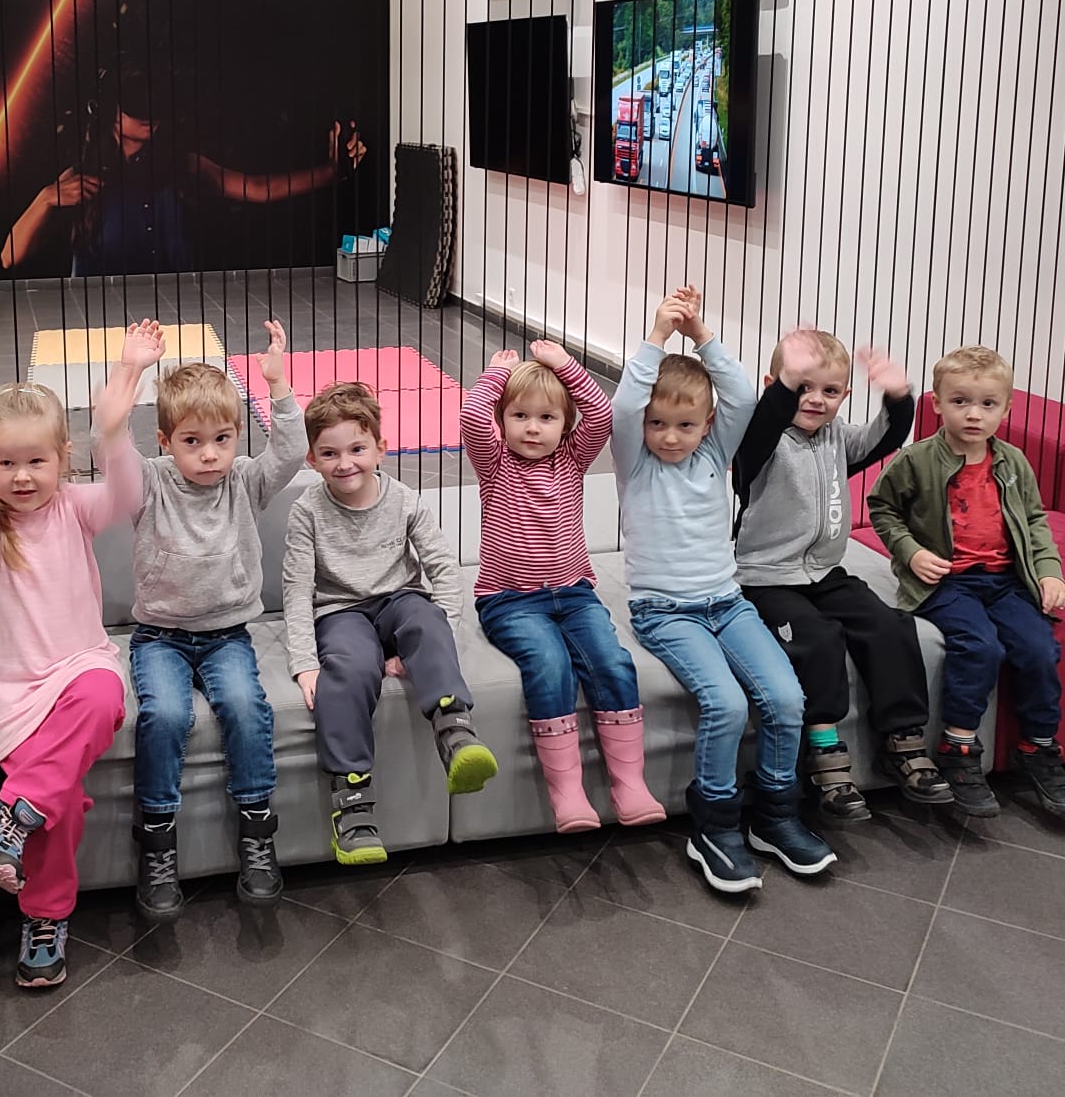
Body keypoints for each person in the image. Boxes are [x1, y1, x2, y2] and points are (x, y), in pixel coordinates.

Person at [0, 322, 159, 990]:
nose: (21, 477)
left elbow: (128, 491)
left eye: (36, 462)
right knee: (59, 807)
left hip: (80, 667)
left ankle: (10, 817)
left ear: (63, 458)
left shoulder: (76, 508)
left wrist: (115, 422)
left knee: (103, 693)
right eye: (6, 463)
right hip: (15, 696)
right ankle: (46, 917)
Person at [612, 287, 833, 894]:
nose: (670, 437)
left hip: (727, 603)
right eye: (658, 424)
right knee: (727, 704)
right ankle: (713, 828)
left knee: (786, 698)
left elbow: (740, 394)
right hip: (664, 611)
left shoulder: (716, 455)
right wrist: (659, 336)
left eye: (685, 425)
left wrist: (702, 334)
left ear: (708, 426)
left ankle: (776, 817)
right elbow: (624, 406)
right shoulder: (635, 463)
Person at [733, 329, 952, 822]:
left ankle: (903, 739)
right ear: (775, 385)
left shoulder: (837, 438)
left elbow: (884, 439)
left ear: (844, 395)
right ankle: (825, 752)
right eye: (802, 388)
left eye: (830, 391)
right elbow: (765, 423)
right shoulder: (758, 442)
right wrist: (784, 388)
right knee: (817, 637)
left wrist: (899, 398)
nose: (816, 399)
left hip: (826, 572)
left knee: (890, 625)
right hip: (767, 577)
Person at [127, 323, 304, 920]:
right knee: (164, 715)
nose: (209, 454)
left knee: (247, 709)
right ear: (164, 442)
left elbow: (290, 452)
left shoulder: (245, 479)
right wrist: (130, 372)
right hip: (160, 638)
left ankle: (257, 834)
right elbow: (108, 450)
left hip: (228, 635)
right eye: (192, 441)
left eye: (222, 439)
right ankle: (157, 842)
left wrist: (278, 385)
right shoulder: (150, 482)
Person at [283, 382, 498, 867]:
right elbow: (297, 590)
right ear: (312, 460)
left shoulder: (404, 500)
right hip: (341, 611)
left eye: (357, 449)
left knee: (426, 618)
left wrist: (440, 636)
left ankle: (456, 733)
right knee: (348, 668)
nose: (345, 463)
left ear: (381, 448)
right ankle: (352, 804)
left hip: (400, 599)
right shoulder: (306, 512)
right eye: (329, 453)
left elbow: (444, 571)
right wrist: (304, 663)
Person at [866, 347, 1065, 821]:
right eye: (960, 401)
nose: (973, 414)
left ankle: (1039, 746)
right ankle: (959, 747)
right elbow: (882, 507)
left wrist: (1049, 570)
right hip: (947, 582)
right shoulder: (917, 459)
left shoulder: (1013, 462)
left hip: (1004, 580)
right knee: (980, 646)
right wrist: (911, 551)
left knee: (1039, 649)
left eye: (988, 404)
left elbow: (1034, 520)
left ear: (1006, 409)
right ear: (937, 404)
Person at [462, 339, 665, 833]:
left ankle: (629, 784)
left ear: (565, 424)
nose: (532, 428)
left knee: (612, 662)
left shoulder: (571, 461)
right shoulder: (496, 464)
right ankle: (567, 792)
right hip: (510, 601)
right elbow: (472, 418)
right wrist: (495, 376)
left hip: (574, 594)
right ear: (503, 420)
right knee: (550, 664)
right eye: (519, 416)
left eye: (547, 418)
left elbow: (600, 413)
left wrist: (565, 365)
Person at [0, 97, 370, 275]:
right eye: (134, 100)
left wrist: (333, 172)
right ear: (110, 111)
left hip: (178, 308)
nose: (147, 112)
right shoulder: (82, 177)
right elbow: (9, 256)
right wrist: (44, 200)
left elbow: (256, 188)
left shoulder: (182, 165)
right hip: (97, 315)